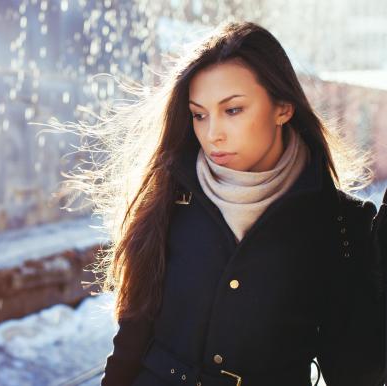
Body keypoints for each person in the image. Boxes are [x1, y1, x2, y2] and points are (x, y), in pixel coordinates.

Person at [60, 20, 387, 386]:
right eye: (199, 115)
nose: (212, 133)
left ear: (283, 107)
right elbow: (132, 336)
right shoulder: (169, 194)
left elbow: (356, 372)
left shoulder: (340, 224)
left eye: (233, 110)